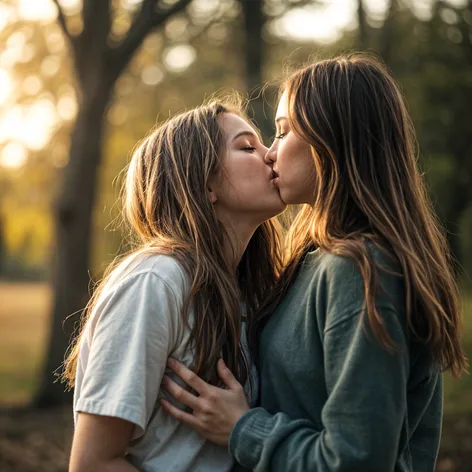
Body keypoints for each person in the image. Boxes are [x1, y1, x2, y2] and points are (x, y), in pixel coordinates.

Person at [160, 54, 468, 471]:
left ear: (332, 141)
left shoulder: (361, 269)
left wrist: (243, 429)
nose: (269, 153)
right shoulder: (312, 260)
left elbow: (357, 460)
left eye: (283, 132)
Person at [64, 98, 286, 472]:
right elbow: (93, 463)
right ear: (204, 182)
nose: (271, 155)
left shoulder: (248, 289)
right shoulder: (156, 282)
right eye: (248, 147)